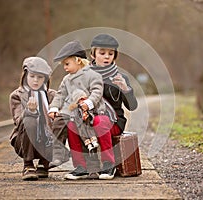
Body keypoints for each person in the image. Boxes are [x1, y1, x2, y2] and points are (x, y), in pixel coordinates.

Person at [67, 34, 138, 180]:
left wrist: (125, 89)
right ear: (93, 54)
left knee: (100, 121)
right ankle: (81, 167)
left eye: (111, 54)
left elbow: (132, 106)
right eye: (102, 53)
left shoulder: (121, 77)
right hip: (88, 118)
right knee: (72, 123)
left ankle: (108, 164)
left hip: (113, 121)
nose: (107, 57)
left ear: (115, 56)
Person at [48, 40, 110, 180]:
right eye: (64, 65)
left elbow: (97, 91)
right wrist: (54, 107)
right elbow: (60, 94)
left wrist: (89, 102)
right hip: (74, 112)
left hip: (92, 112)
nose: (65, 67)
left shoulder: (92, 75)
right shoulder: (66, 80)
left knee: (87, 130)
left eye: (67, 64)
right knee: (64, 122)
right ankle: (62, 155)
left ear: (78, 61)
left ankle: (93, 168)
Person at [9, 56, 55, 180]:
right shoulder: (16, 96)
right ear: (25, 76)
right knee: (29, 119)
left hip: (47, 142)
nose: (35, 80)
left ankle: (44, 163)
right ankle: (28, 165)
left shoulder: (52, 95)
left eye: (40, 77)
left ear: (45, 79)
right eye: (32, 76)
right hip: (24, 143)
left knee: (63, 121)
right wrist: (29, 111)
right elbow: (18, 121)